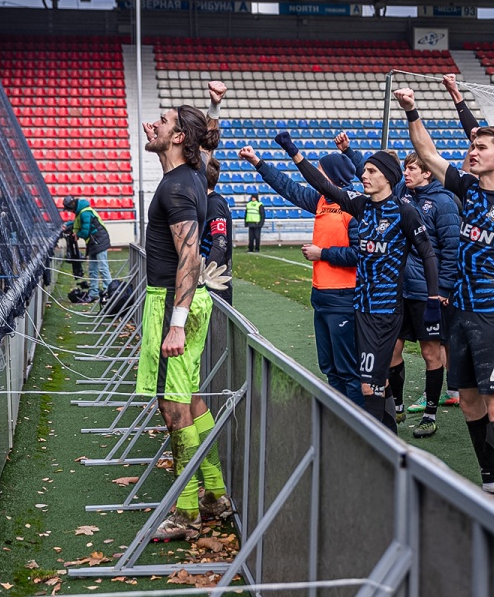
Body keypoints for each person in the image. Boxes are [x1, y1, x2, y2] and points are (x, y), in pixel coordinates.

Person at [397, 86, 494, 510]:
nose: (472, 152)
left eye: (480, 147)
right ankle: (488, 480)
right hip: (459, 314)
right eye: (472, 146)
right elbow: (427, 154)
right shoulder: (467, 189)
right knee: (467, 401)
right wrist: (412, 110)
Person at [271, 131, 441, 432]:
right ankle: (382, 439)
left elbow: (428, 254)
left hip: (386, 311)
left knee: (369, 384)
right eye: (365, 170)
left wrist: (432, 300)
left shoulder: (404, 212)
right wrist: (293, 151)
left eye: (371, 171)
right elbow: (322, 184)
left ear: (387, 177)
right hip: (360, 307)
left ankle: (376, 443)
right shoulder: (361, 206)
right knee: (371, 382)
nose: (364, 175)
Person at [139, 103, 232, 541]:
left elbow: (190, 257)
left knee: (173, 408)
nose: (153, 124)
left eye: (163, 121)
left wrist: (174, 323)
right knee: (190, 398)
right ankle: (215, 494)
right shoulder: (194, 173)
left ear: (179, 138)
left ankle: (187, 513)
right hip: (191, 304)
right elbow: (206, 144)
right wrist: (212, 107)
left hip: (172, 306)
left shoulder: (177, 187)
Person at [239, 144, 363, 407]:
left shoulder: (353, 207)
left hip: (343, 298)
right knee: (329, 367)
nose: (314, 176)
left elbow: (360, 254)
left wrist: (323, 254)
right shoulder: (320, 200)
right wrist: (258, 162)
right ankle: (338, 419)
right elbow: (288, 187)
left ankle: (359, 425)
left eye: (319, 171)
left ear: (333, 176)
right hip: (321, 297)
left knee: (348, 370)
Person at [388, 152, 460, 437]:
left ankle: (430, 414)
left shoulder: (444, 203)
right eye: (405, 168)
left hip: (427, 293)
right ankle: (397, 405)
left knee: (431, 353)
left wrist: (443, 288)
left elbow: (452, 249)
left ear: (428, 172)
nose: (406, 173)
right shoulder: (402, 194)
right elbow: (379, 174)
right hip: (399, 290)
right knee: (392, 349)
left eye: (412, 169)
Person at [63, 196, 111, 303]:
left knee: (103, 268)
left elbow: (85, 232)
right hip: (93, 242)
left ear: (71, 207)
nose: (69, 211)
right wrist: (67, 225)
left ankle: (110, 292)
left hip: (99, 241)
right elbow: (77, 223)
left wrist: (77, 234)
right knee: (92, 269)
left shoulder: (84, 213)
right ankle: (94, 293)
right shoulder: (81, 212)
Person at [200, 157, 233, 305]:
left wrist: (205, 274)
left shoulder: (214, 204)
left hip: (214, 279)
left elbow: (220, 244)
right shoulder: (210, 201)